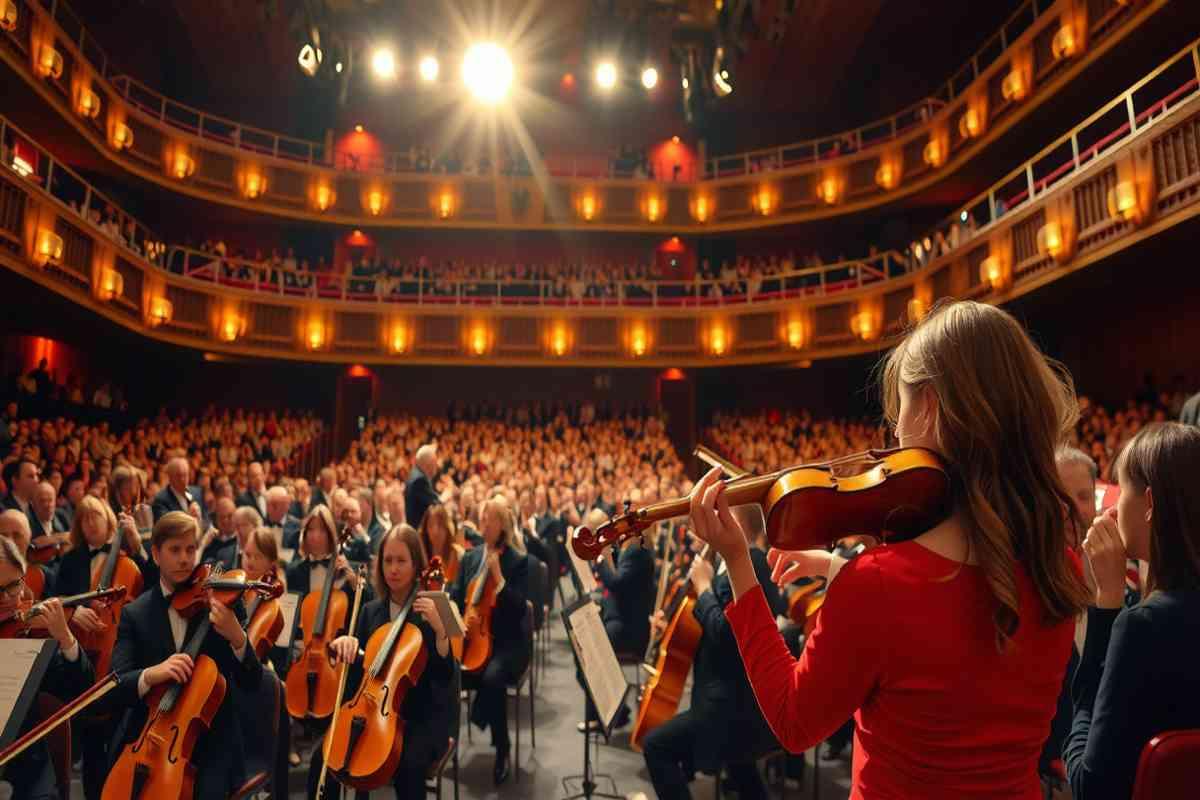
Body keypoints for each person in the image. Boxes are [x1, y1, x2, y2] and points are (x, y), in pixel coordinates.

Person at [688, 300, 1089, 799]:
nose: (894, 434)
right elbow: (954, 641)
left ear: (932, 407)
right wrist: (841, 569)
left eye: (900, 410)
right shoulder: (1059, 566)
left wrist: (737, 563)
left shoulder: (878, 584)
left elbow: (795, 723)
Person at [1065, 422, 1200, 799]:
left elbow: (1087, 784)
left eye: (1122, 489)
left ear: (1150, 504)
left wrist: (1107, 601)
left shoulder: (1143, 626)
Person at [103, 511, 263, 800]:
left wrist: (236, 636)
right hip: (151, 739)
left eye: (191, 549)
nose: (185, 559)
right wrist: (152, 673)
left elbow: (251, 681)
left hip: (212, 740)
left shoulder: (223, 603)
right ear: (155, 554)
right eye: (174, 550)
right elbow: (116, 686)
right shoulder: (135, 614)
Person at [640, 508, 786, 800]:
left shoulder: (752, 563)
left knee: (656, 746)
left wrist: (704, 586)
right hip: (731, 699)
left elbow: (726, 634)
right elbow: (706, 624)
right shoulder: (731, 561)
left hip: (732, 708)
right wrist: (668, 623)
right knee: (743, 773)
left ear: (737, 523)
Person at [311, 524, 455, 799]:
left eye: (401, 561)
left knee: (409, 766)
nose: (394, 569)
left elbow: (445, 676)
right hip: (369, 710)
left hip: (419, 716)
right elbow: (357, 681)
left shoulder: (434, 608)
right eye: (388, 560)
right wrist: (346, 649)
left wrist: (440, 632)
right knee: (324, 756)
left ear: (416, 564)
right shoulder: (369, 611)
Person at [0, 536, 93, 800]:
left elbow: (80, 691)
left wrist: (65, 638)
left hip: (28, 761)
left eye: (14, 585)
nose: (8, 599)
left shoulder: (36, 636)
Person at [450, 494, 528, 785]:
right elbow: (457, 598)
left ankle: (502, 749)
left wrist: (500, 579)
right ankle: (445, 743)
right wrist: (460, 619)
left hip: (507, 642)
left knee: (492, 678)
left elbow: (520, 609)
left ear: (502, 524)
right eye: (481, 518)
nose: (482, 523)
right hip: (473, 638)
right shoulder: (469, 558)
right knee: (445, 668)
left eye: (488, 519)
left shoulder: (517, 561)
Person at [577, 507, 653, 732]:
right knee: (583, 649)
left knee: (590, 655)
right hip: (621, 619)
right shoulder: (631, 550)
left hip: (629, 629)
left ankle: (606, 714)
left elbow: (617, 582)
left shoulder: (637, 552)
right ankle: (614, 711)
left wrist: (602, 559)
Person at [419, 503, 464, 584]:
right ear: (426, 530)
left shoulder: (458, 554)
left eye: (440, 525)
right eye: (431, 525)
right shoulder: (421, 555)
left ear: (447, 527)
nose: (435, 531)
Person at [151, 456, 201, 522]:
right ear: (170, 477)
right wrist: (188, 517)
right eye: (179, 475)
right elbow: (165, 527)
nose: (183, 479)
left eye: (185, 475)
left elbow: (207, 519)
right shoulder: (161, 500)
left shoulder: (195, 492)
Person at [405, 444, 441, 529]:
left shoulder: (416, 474)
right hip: (419, 531)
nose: (437, 465)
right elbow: (436, 505)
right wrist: (447, 496)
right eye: (435, 462)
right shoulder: (419, 480)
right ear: (428, 463)